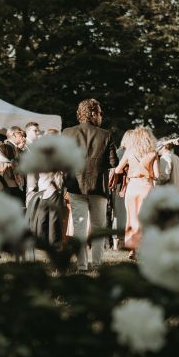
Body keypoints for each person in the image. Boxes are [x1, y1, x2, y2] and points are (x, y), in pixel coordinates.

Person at [62, 98, 118, 271]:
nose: (101, 116)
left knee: (79, 227)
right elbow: (114, 162)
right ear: (93, 113)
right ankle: (97, 264)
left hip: (75, 185)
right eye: (100, 113)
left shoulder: (67, 133)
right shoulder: (105, 134)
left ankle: (82, 265)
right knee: (98, 228)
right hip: (98, 188)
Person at [115, 126, 159, 258]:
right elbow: (157, 175)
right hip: (146, 186)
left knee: (131, 218)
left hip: (132, 187)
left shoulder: (129, 151)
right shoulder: (153, 152)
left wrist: (129, 169)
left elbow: (117, 170)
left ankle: (132, 249)